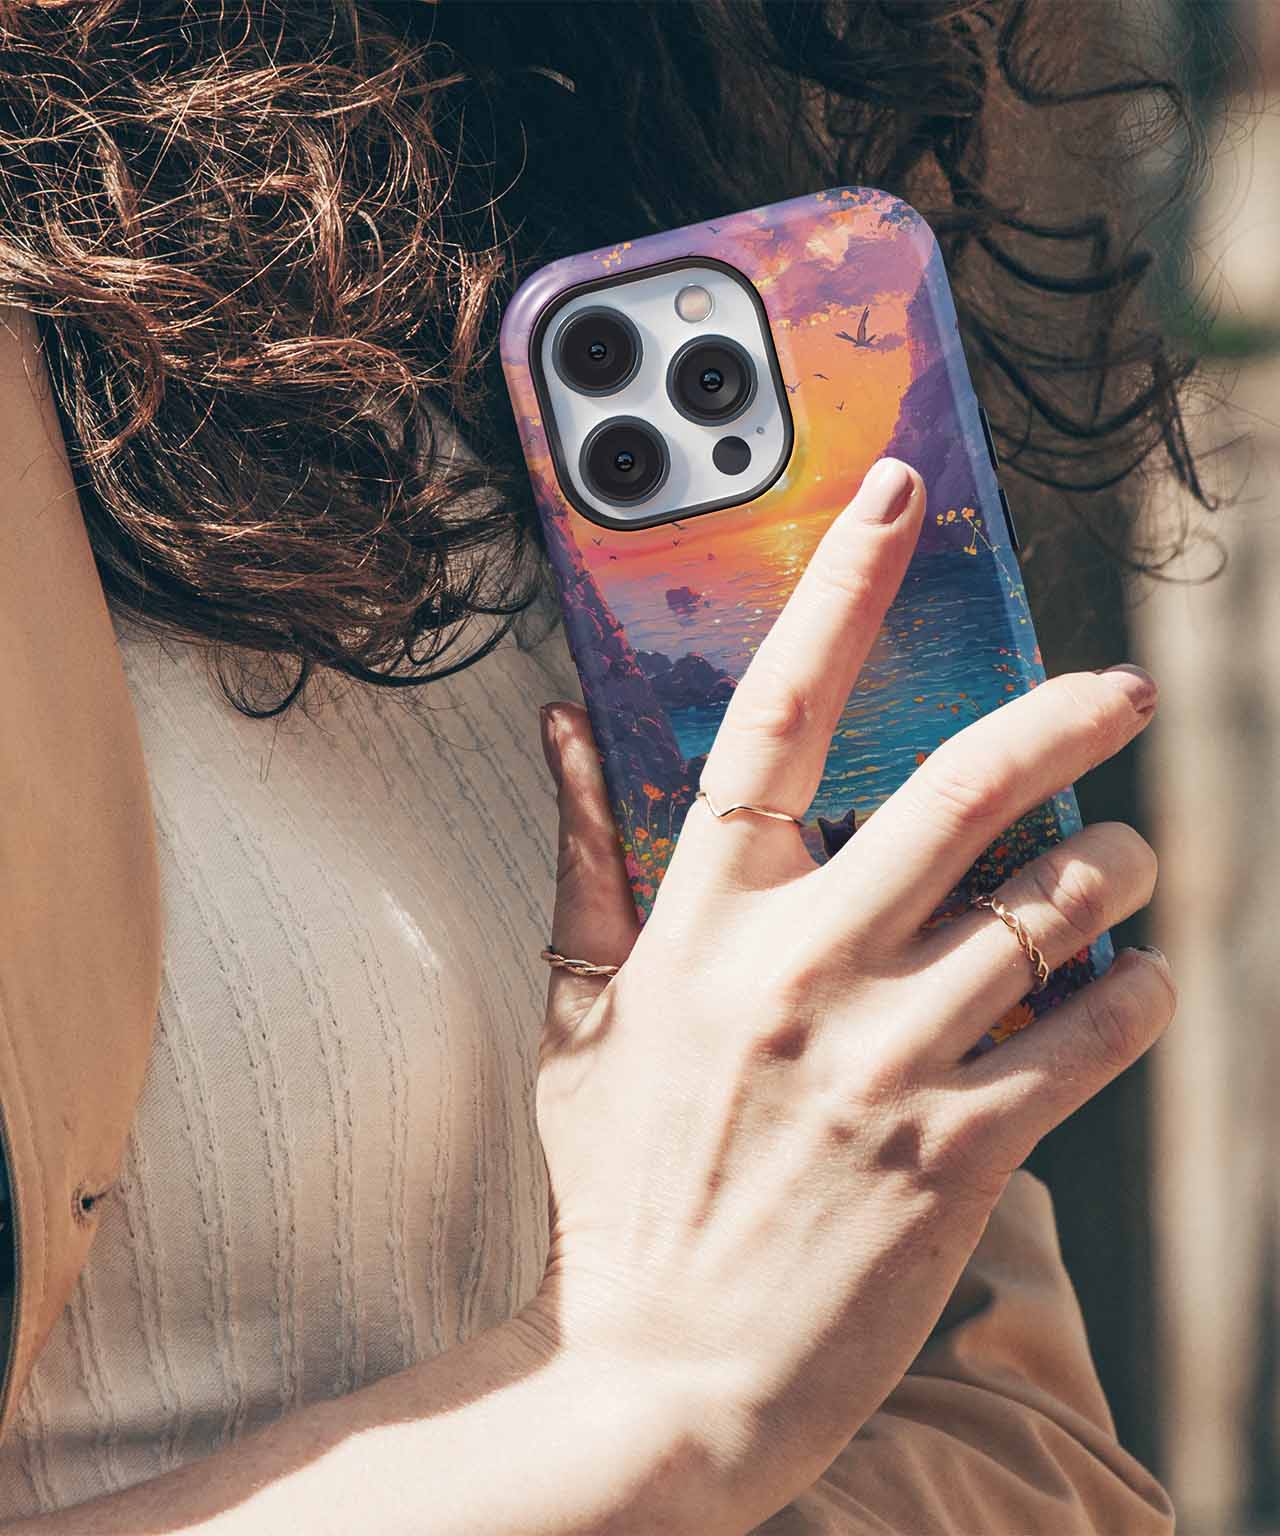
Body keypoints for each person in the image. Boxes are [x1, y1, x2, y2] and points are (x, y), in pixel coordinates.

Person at [0, 3, 1196, 1530]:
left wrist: (719, 1389)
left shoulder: (547, 202)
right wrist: (637, 1387)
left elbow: (1021, 1454)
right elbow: (703, 1384)